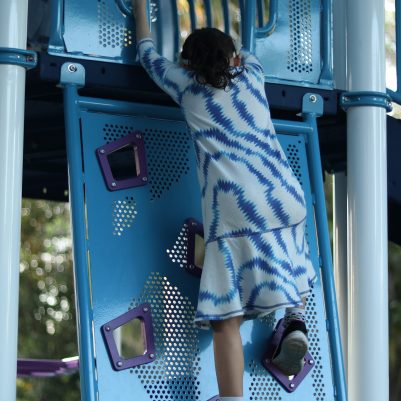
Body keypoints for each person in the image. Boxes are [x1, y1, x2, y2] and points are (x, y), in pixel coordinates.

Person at [132, 1, 317, 400]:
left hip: (237, 208)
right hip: (284, 193)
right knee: (294, 256)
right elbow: (244, 50)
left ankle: (233, 398)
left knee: (225, 316)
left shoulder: (185, 85)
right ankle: (294, 319)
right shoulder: (253, 75)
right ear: (232, 58)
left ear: (187, 63)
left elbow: (146, 53)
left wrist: (139, 10)